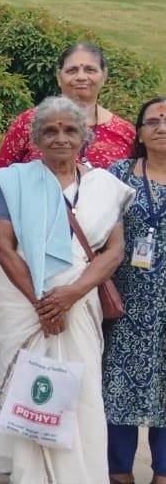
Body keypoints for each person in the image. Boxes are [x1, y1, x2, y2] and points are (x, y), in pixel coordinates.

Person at [0, 96, 133, 484]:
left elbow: (114, 251)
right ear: (36, 138)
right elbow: (3, 245)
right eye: (50, 130)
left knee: (80, 385)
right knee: (22, 383)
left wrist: (70, 295)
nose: (60, 138)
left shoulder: (104, 187)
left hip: (79, 300)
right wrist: (42, 304)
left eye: (70, 130)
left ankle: (77, 474)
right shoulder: (15, 180)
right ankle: (26, 473)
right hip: (22, 301)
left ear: (83, 136)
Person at [105, 97, 166, 484]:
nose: (162, 127)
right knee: (118, 385)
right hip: (126, 301)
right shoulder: (117, 175)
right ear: (140, 133)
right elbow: (95, 234)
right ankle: (119, 471)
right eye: (154, 121)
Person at [0, 43, 137, 170]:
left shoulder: (124, 132)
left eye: (90, 70)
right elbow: (2, 177)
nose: (81, 77)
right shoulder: (30, 121)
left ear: (104, 76)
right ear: (59, 77)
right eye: (72, 70)